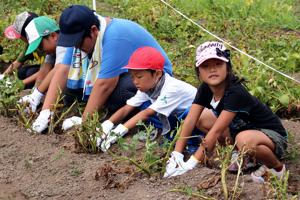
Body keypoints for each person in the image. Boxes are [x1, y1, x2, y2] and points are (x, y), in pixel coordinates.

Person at [34, 5, 172, 133]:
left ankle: (142, 121)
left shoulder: (114, 36)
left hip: (155, 79)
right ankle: (104, 109)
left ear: (93, 31)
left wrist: (85, 122)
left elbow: (105, 84)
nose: (75, 47)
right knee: (69, 89)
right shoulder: (81, 37)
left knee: (119, 92)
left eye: (78, 43)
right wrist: (46, 111)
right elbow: (63, 70)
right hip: (129, 73)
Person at [163, 41, 287, 184]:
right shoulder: (205, 88)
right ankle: (241, 155)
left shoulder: (236, 92)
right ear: (199, 72)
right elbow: (190, 119)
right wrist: (176, 154)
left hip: (271, 136)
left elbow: (216, 131)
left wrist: (191, 162)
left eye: (218, 64)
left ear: (227, 67)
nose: (212, 70)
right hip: (240, 131)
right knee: (202, 118)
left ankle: (276, 168)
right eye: (206, 66)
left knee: (244, 140)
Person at [97, 46, 196, 151]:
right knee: (144, 106)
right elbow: (127, 108)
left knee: (148, 111)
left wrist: (118, 132)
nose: (135, 81)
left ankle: (192, 144)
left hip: (196, 120)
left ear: (157, 74)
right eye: (132, 77)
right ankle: (167, 134)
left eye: (139, 77)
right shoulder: (149, 87)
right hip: (176, 118)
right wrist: (107, 125)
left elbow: (147, 113)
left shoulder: (172, 88)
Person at [18, 16, 73, 125]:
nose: (40, 50)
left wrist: (37, 95)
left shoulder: (63, 41)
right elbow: (45, 68)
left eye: (40, 46)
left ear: (53, 36)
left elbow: (59, 68)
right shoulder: (52, 48)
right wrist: (34, 92)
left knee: (66, 94)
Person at [2, 11, 41, 89]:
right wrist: (3, 76)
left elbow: (45, 70)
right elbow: (18, 62)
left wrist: (19, 84)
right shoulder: (30, 43)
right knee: (21, 72)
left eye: (20, 36)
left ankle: (34, 90)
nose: (19, 38)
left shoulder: (46, 45)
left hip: (52, 71)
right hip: (44, 68)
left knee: (31, 73)